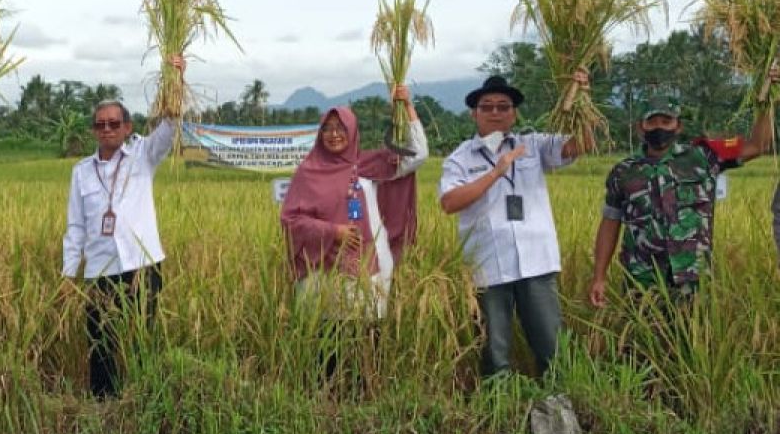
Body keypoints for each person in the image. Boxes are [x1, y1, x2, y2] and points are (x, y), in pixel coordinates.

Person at [439, 73, 589, 378]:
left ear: (514, 113)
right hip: (487, 267)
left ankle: (560, 403)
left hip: (536, 263)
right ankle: (499, 409)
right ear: (474, 113)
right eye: (487, 106)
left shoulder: (534, 145)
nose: (495, 112)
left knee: (551, 343)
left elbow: (580, 144)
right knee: (494, 348)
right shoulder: (460, 158)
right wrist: (496, 172)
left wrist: (582, 98)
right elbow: (449, 202)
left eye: (503, 106)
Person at [61, 57, 183, 398]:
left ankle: (144, 400)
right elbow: (75, 227)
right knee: (100, 344)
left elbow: (170, 128)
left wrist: (176, 79)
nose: (107, 129)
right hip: (100, 270)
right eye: (100, 125)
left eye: (114, 123)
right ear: (93, 131)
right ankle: (104, 406)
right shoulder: (82, 172)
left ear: (127, 127)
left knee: (143, 338)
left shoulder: (144, 155)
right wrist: (70, 275)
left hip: (142, 267)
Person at [588, 90, 773, 306]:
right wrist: (599, 277)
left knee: (694, 339)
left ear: (678, 126)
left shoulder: (703, 156)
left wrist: (766, 101)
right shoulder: (623, 172)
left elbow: (757, 146)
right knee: (641, 339)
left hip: (693, 280)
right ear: (640, 127)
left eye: (666, 121)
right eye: (652, 122)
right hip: (642, 282)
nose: (659, 127)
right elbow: (610, 222)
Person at [280, 86, 427, 325]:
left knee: (368, 335)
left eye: (340, 128)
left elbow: (417, 155)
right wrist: (332, 231)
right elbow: (291, 221)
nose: (334, 134)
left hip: (370, 266)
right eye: (327, 128)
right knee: (327, 341)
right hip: (322, 272)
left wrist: (406, 106)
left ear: (352, 130)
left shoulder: (369, 165)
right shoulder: (307, 172)